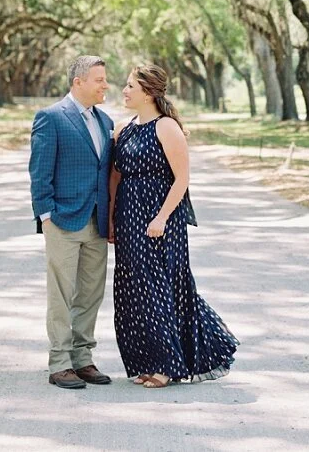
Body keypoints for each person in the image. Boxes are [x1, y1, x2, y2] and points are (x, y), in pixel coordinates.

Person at [110, 63, 238, 388]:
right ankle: (145, 360)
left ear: (149, 92)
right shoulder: (122, 128)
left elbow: (182, 179)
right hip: (129, 218)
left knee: (159, 289)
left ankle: (167, 366)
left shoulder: (166, 127)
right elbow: (116, 176)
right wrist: (112, 219)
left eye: (130, 87)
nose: (124, 91)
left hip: (160, 220)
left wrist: (161, 218)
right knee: (133, 290)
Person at [28, 55, 114, 389]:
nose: (105, 85)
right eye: (99, 79)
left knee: (90, 294)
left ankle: (82, 358)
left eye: (105, 79)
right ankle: (60, 362)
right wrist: (46, 216)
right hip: (63, 220)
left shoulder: (105, 121)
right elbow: (39, 171)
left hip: (97, 222)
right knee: (62, 294)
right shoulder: (50, 118)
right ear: (78, 82)